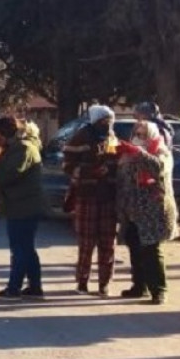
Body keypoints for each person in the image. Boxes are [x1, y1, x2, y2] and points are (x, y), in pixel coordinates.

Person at [0, 117, 46, 301]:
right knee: (26, 248)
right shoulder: (18, 148)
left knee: (19, 249)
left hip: (23, 205)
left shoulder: (24, 148)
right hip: (21, 204)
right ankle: (35, 287)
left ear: (6, 133)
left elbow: (6, 175)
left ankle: (14, 288)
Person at [115, 121, 178, 305]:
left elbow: (159, 168)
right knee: (134, 247)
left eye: (143, 135)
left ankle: (159, 290)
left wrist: (139, 153)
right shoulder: (129, 156)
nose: (139, 138)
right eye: (137, 134)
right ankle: (139, 285)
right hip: (132, 209)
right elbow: (123, 180)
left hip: (153, 210)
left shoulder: (161, 152)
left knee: (151, 249)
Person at [63, 105, 122, 297]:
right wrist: (90, 172)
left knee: (108, 243)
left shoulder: (112, 138)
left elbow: (117, 162)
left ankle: (104, 283)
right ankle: (82, 282)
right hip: (87, 196)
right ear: (96, 120)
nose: (108, 124)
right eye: (104, 120)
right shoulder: (81, 136)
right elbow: (68, 165)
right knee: (86, 243)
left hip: (109, 198)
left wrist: (111, 171)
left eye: (110, 120)